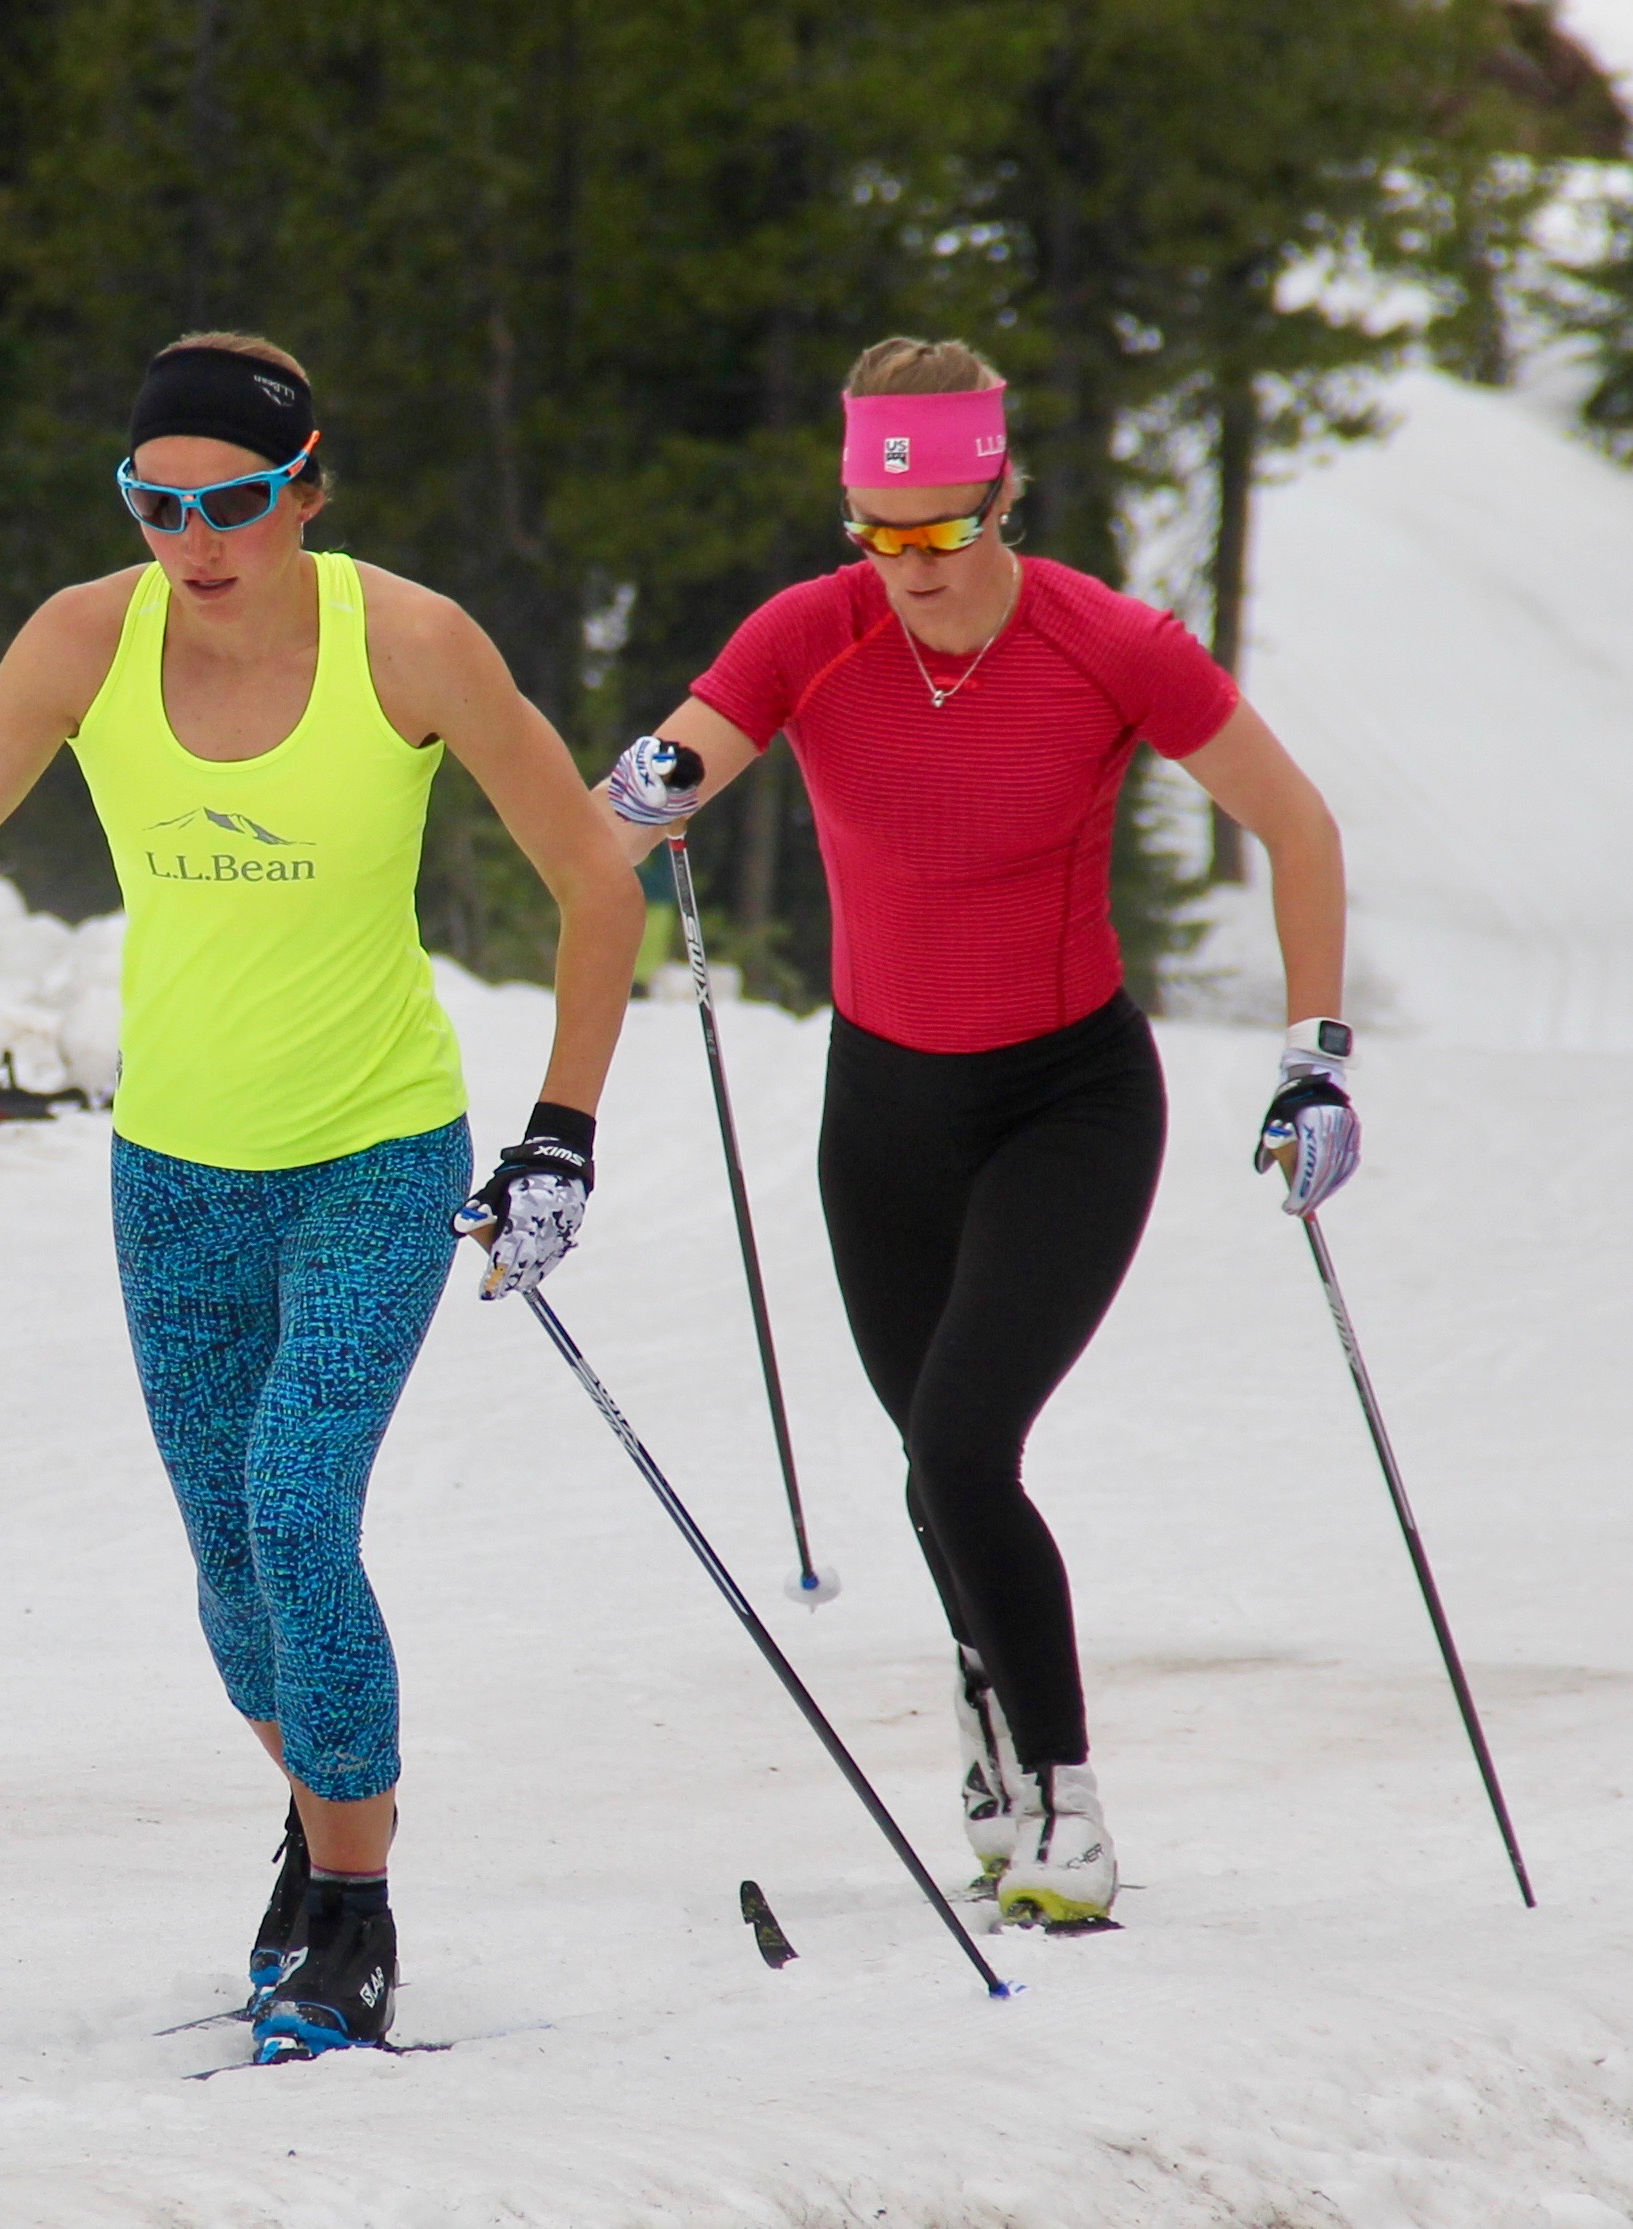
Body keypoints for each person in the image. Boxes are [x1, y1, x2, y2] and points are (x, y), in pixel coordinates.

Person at [0, 332, 642, 2055]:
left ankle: (353, 1911)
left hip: (374, 1149)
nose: (195, 541)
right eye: (157, 505)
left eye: (237, 502)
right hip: (175, 1170)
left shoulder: (410, 642)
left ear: (309, 488)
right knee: (227, 1576)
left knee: (296, 1512)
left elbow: (597, 885)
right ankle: (323, 1820)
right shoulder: (84, 635)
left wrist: (563, 1129)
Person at [598, 336, 1356, 1929]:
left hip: (1067, 1100)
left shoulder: (1109, 643)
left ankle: (1069, 1801)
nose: (914, 571)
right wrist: (640, 791)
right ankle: (990, 1709)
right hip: (883, 1111)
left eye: (946, 532)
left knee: (959, 1443)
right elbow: (651, 797)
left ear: (1007, 495)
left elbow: (1296, 826)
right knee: (933, 1462)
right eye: (881, 537)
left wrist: (1313, 1059)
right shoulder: (813, 632)